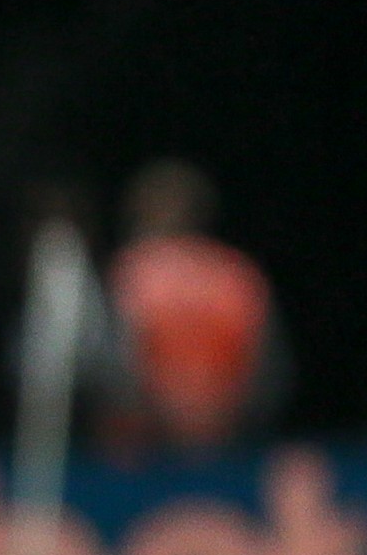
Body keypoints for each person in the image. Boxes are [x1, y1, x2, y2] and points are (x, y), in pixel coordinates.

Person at [103, 158, 277, 457]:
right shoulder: (237, 271)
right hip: (165, 439)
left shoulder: (134, 270)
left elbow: (263, 366)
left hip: (208, 439)